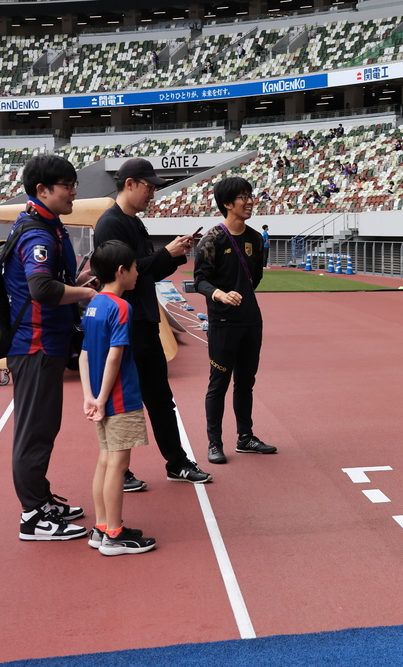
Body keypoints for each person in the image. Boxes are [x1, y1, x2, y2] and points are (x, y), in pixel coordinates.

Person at [93, 158, 211, 487]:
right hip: (123, 322)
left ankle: (177, 463)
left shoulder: (136, 223)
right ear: (129, 183)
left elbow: (146, 272)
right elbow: (123, 274)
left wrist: (174, 255)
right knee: (122, 400)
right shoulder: (110, 224)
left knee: (160, 398)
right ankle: (120, 469)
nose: (152, 194)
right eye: (149, 187)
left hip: (144, 320)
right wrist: (164, 254)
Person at [5, 155, 97, 541]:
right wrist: (87, 294)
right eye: (67, 185)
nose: (74, 191)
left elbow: (51, 280)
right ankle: (32, 516)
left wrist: (79, 282)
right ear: (42, 190)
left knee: (44, 427)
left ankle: (41, 501)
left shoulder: (47, 224)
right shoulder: (38, 234)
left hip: (45, 343)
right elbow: (41, 289)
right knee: (35, 431)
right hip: (36, 345)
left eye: (75, 183)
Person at [78, 240, 157, 557]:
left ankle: (101, 527)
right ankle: (114, 533)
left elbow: (84, 355)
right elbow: (115, 356)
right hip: (120, 398)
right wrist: (101, 398)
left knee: (105, 460)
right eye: (135, 268)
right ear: (122, 270)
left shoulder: (93, 305)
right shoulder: (122, 307)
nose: (138, 273)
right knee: (118, 465)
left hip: (101, 397)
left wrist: (90, 396)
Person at [194, 177, 276, 465]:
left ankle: (245, 437)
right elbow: (200, 280)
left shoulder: (255, 238)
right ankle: (214, 443)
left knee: (246, 383)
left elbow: (256, 278)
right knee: (218, 383)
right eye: (243, 197)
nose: (250, 201)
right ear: (227, 203)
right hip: (222, 323)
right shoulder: (212, 239)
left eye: (250, 196)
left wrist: (241, 296)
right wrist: (220, 294)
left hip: (251, 322)